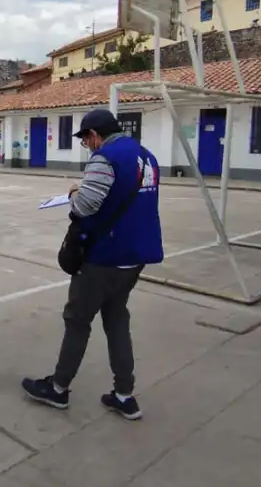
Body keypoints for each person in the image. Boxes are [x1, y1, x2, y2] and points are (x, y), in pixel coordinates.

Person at [22, 108, 163, 420]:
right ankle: (124, 395)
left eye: (86, 140)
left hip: (104, 256)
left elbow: (86, 206)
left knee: (77, 320)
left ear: (94, 135)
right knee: (116, 319)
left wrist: (75, 191)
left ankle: (58, 389)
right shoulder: (147, 156)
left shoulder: (105, 157)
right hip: (136, 256)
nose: (88, 146)